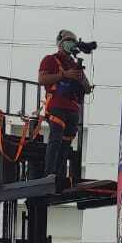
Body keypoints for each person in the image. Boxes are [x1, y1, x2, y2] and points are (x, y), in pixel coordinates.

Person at [38, 29, 93, 184]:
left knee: (66, 142)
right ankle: (49, 173)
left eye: (73, 41)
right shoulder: (50, 59)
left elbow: (87, 89)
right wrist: (64, 75)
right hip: (56, 106)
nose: (71, 44)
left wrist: (81, 78)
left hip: (73, 109)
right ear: (61, 43)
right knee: (56, 137)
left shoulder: (74, 64)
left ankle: (60, 174)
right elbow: (42, 79)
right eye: (68, 41)